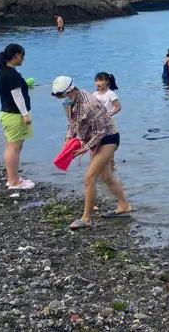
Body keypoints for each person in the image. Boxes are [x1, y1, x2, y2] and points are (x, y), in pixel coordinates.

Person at [51, 76, 132, 230]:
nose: (60, 99)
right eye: (58, 96)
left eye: (61, 95)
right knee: (106, 176)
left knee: (89, 178)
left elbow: (100, 132)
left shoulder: (89, 104)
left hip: (108, 138)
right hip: (94, 138)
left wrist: (85, 148)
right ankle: (124, 205)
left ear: (71, 90)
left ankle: (86, 218)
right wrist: (68, 141)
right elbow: (72, 124)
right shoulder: (68, 102)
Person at [0, 44, 35, 190]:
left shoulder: (3, 72)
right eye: (22, 55)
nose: (23, 59)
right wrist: (25, 115)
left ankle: (12, 178)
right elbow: (17, 95)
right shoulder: (11, 74)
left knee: (11, 147)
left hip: (7, 114)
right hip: (14, 115)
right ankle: (14, 182)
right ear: (16, 55)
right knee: (14, 148)